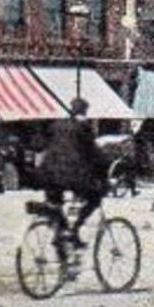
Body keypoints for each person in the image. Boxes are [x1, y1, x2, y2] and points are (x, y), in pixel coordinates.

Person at [38, 97, 108, 270]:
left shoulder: (57, 125)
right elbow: (94, 154)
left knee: (56, 207)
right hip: (71, 176)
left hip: (48, 175)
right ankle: (74, 229)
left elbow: (41, 144)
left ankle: (63, 247)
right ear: (84, 112)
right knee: (94, 198)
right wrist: (105, 175)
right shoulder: (83, 127)